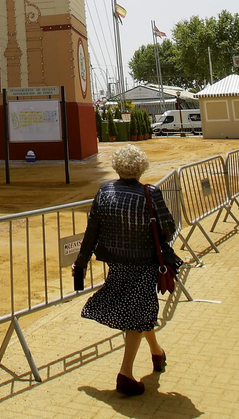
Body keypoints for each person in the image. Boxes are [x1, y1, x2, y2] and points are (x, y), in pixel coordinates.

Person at [72, 143, 177, 397]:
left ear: (117, 166)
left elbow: (92, 232)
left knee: (141, 307)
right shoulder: (150, 193)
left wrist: (81, 263)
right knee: (137, 310)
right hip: (143, 262)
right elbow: (169, 228)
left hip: (116, 261)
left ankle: (156, 352)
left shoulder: (104, 191)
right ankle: (125, 374)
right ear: (141, 167)